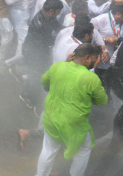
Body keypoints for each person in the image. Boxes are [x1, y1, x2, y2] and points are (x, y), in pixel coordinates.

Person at [36, 43, 107, 176]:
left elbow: (44, 81)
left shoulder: (58, 66)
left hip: (51, 120)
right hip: (74, 126)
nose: (97, 61)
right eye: (95, 57)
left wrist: (64, 64)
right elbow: (102, 101)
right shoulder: (91, 78)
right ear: (87, 58)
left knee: (48, 150)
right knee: (84, 149)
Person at [20, 0, 64, 110]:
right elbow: (48, 40)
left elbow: (59, 28)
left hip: (41, 50)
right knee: (35, 73)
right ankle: (26, 96)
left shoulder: (49, 17)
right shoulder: (39, 23)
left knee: (39, 72)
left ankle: (34, 90)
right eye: (58, 12)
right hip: (32, 51)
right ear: (51, 11)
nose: (59, 14)